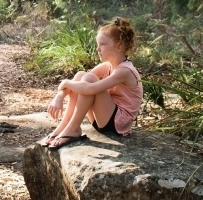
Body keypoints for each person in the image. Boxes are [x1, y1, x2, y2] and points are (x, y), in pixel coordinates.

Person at [41, 18, 142, 150]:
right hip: (103, 119)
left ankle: (73, 128)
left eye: (102, 44)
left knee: (88, 79)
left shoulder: (125, 71)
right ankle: (64, 127)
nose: (97, 48)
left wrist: (65, 82)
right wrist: (59, 96)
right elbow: (79, 81)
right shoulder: (108, 66)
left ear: (119, 46)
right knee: (81, 75)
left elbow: (89, 88)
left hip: (117, 124)